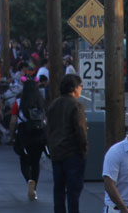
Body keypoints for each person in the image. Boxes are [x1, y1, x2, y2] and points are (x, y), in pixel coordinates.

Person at [47, 74, 87, 213]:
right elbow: (80, 129)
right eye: (80, 86)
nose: (81, 89)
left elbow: (49, 128)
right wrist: (84, 149)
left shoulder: (53, 104)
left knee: (58, 190)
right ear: (74, 88)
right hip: (73, 152)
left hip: (56, 152)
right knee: (73, 192)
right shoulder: (76, 106)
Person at [8, 79, 46, 201]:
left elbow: (13, 121)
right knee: (36, 162)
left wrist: (11, 135)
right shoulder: (41, 102)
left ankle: (29, 180)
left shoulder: (18, 103)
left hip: (24, 135)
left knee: (24, 161)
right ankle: (34, 188)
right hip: (39, 134)